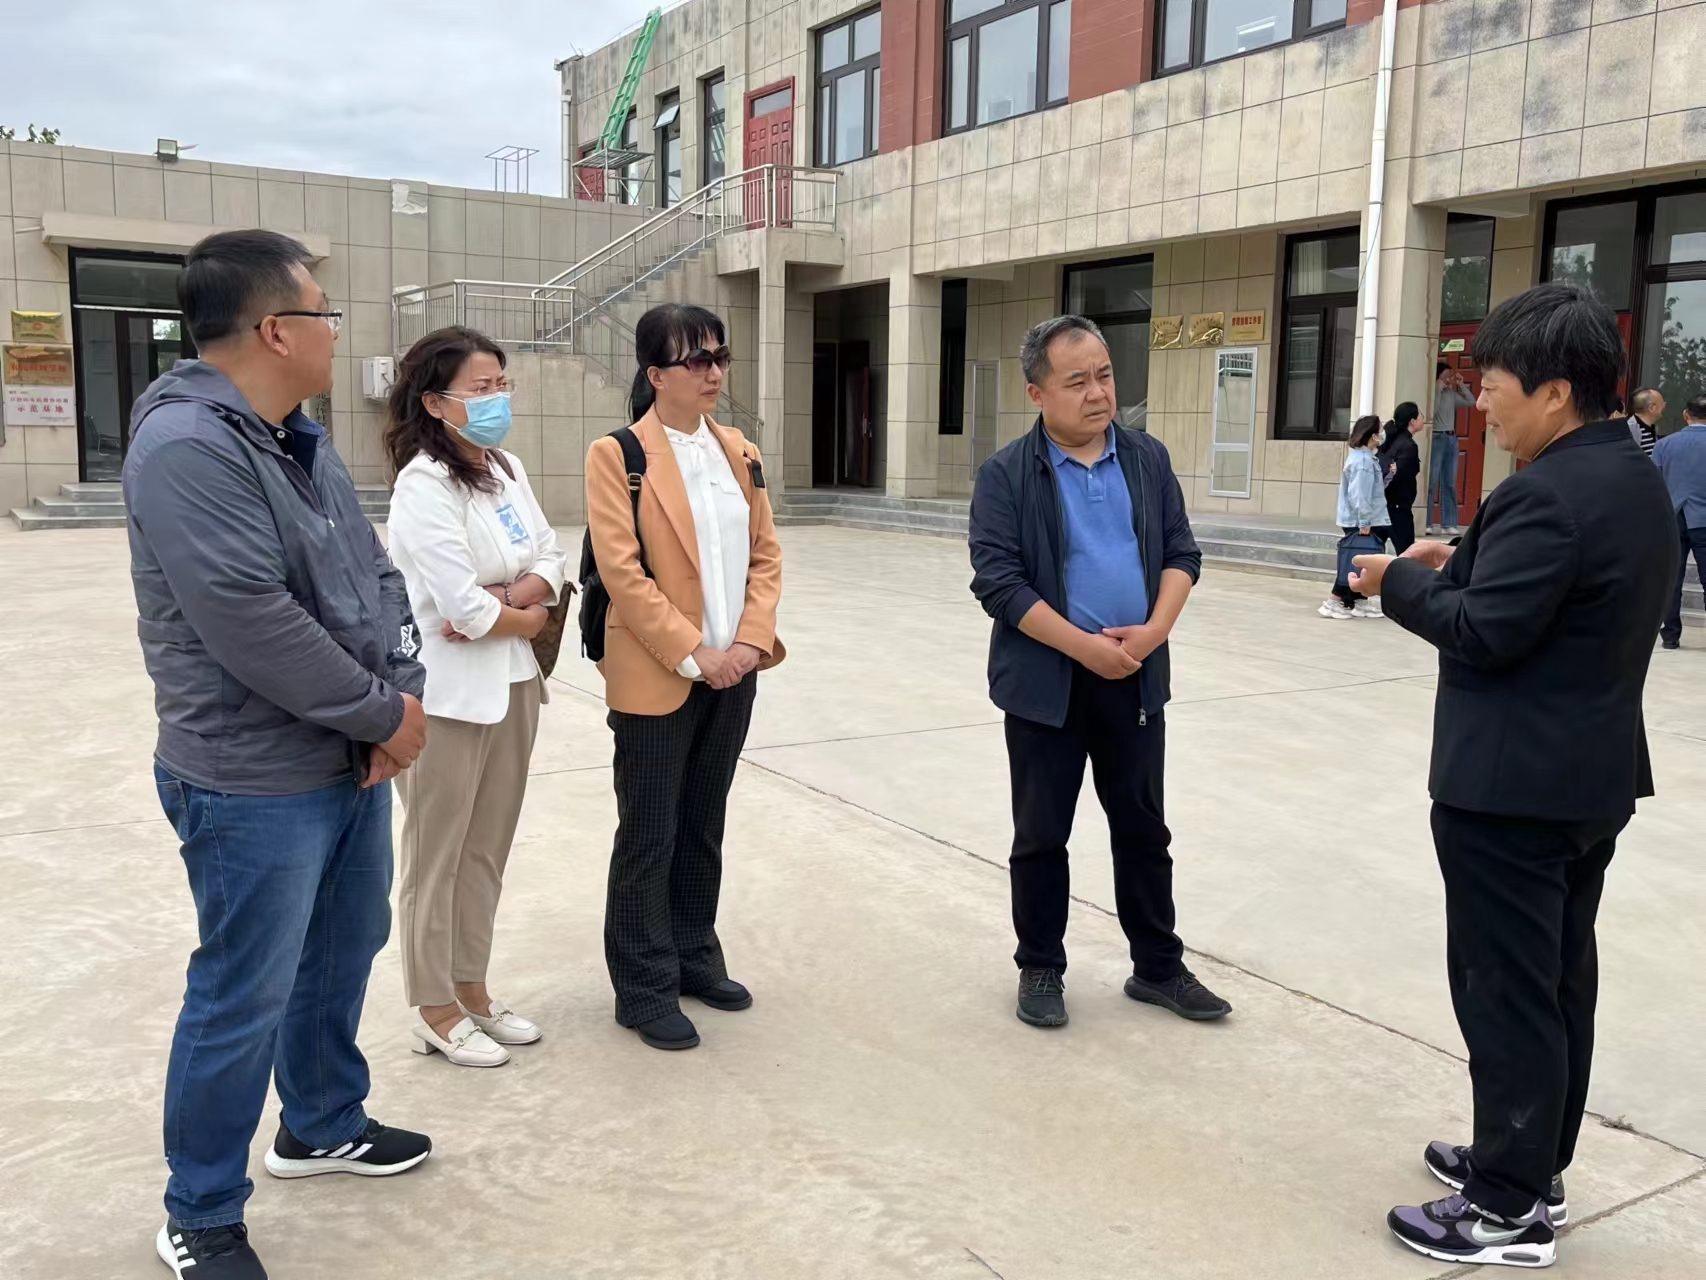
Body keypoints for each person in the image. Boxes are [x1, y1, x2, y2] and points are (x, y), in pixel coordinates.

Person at [123, 230, 433, 1280]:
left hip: (348, 753)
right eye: (323, 313)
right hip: (250, 776)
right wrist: (380, 715)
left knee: (344, 947)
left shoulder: (298, 436)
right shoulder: (187, 448)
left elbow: (376, 575)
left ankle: (321, 1121)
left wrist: (400, 694)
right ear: (274, 329)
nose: (336, 332)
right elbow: (249, 620)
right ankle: (201, 1209)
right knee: (242, 990)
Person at [1348, 283, 1676, 1269]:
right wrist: (1461, 560)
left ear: (1553, 390)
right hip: (1584, 778)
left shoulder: (1544, 491)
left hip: (1509, 790)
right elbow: (1555, 597)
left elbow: (1486, 632)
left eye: (1491, 384)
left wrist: (1397, 580)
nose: (1480, 403)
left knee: (1506, 993)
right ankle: (1532, 1164)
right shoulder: (1630, 472)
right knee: (1556, 981)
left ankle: (1503, 1207)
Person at [969, 315, 1229, 1030]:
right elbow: (1000, 584)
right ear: (1037, 393)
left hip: (1135, 675)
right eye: (1077, 380)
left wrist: (1152, 633)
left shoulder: (1146, 459)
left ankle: (1158, 968)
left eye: (1106, 375)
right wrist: (1085, 649)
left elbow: (1181, 553)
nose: (1098, 393)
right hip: (1046, 689)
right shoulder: (1006, 475)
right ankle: (1041, 967)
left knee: (1143, 830)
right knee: (1041, 835)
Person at [584, 303, 785, 1051]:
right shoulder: (618, 456)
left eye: (719, 357)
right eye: (695, 360)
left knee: (704, 821)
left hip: (736, 671)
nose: (712, 373)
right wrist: (696, 651)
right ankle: (643, 986)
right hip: (660, 673)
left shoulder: (740, 451)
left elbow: (765, 554)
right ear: (656, 373)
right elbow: (622, 573)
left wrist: (750, 643)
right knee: (650, 832)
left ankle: (695, 955)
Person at [384, 327, 568, 1067]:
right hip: (448, 699)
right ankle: (433, 1006)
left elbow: (553, 556)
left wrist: (513, 601)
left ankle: (473, 990)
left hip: (515, 684)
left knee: (486, 849)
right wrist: (526, 611)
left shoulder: (505, 468)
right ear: (436, 402)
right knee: (437, 857)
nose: (497, 400)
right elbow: (461, 607)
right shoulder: (422, 485)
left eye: (501, 385)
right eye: (481, 388)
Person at [1319, 415, 1390, 620]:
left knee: (1361, 562)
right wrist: (1364, 522)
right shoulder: (1363, 461)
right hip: (1362, 521)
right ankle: (1333, 602)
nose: (1383, 433)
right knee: (1353, 562)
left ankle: (1359, 601)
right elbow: (1360, 494)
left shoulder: (1364, 457)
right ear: (1373, 435)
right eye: (1381, 429)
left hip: (1361, 519)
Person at [1653, 392, 1706, 650]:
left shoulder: (1664, 445)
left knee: (1672, 580)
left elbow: (1653, 483)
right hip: (1703, 519)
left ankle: (1670, 636)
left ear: (1686, 415)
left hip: (1672, 516)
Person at [1428, 363, 1475, 534]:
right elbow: (1432, 412)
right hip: (1437, 437)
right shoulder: (1434, 392)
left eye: (1450, 376)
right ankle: (1427, 522)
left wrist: (1461, 385)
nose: (1448, 379)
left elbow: (1471, 402)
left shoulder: (1451, 394)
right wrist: (1437, 389)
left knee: (1449, 482)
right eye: (1445, 376)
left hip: (1451, 439)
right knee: (1432, 481)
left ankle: (1448, 524)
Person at [1377, 401, 1423, 553]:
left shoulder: (1389, 440)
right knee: (1407, 554)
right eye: (1420, 415)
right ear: (1412, 421)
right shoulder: (1409, 446)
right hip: (1398, 509)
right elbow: (1401, 476)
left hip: (1381, 507)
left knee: (1375, 552)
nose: (1423, 418)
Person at [1626, 386, 1665, 457]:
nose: (1664, 406)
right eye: (1662, 403)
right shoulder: (1629, 430)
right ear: (1651, 408)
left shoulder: (1651, 428)